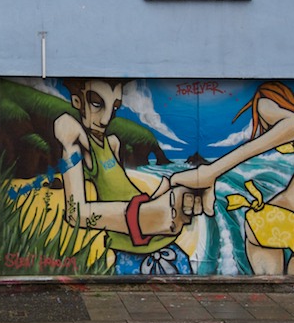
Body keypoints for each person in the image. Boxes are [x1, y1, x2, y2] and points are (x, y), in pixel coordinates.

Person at [170, 81, 294, 276]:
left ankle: (268, 285)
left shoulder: (264, 100)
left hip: (287, 215)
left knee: (263, 259)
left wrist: (212, 171)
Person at [54, 78, 202, 274]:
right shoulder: (76, 143)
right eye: (97, 104)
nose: (106, 119)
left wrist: (158, 198)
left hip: (164, 244)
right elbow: (75, 214)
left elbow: (122, 193)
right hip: (133, 254)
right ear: (77, 102)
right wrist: (68, 143)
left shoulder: (112, 143)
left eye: (114, 107)